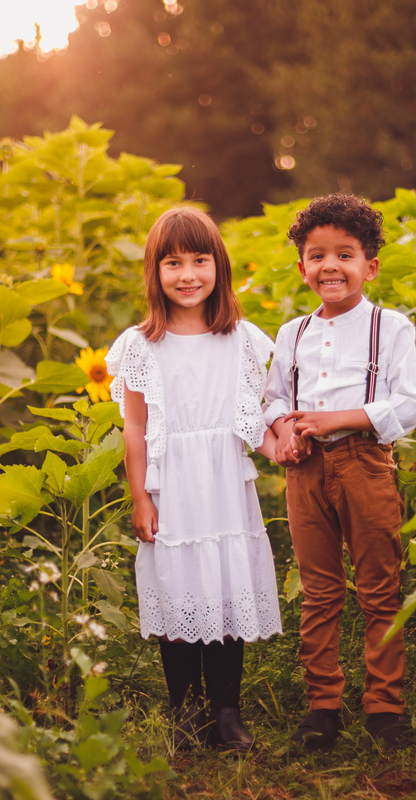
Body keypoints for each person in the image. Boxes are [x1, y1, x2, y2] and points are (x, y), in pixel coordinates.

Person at [106, 206, 282, 753]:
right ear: (154, 272)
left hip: (226, 482)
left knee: (225, 587)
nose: (188, 275)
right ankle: (184, 710)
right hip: (172, 484)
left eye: (199, 260)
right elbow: (135, 429)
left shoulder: (244, 340)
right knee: (180, 589)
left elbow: (258, 417)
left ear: (218, 266)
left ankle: (227, 711)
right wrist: (140, 497)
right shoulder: (141, 345)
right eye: (173, 262)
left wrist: (286, 442)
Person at [264, 194, 416, 752]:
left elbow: (408, 404)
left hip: (365, 463)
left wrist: (338, 417)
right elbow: (274, 399)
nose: (330, 265)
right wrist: (284, 432)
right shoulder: (293, 334)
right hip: (305, 471)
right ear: (303, 266)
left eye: (345, 254)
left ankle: (384, 706)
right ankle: (322, 705)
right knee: (319, 591)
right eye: (317, 255)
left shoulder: (391, 328)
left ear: (370, 266)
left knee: (381, 589)